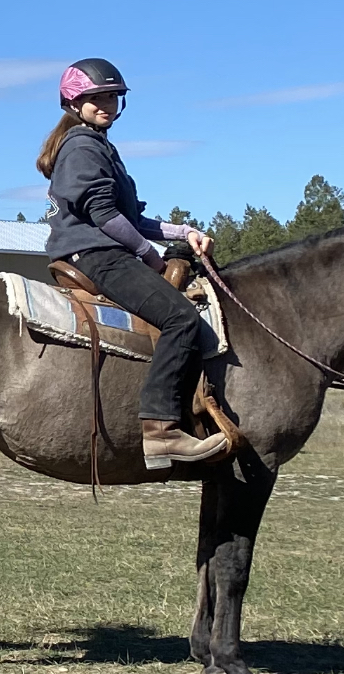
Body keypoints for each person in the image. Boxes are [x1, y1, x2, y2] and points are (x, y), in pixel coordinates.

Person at [37, 57, 228, 468]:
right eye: (95, 97)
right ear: (74, 101)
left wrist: (183, 233)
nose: (105, 104)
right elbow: (105, 216)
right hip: (97, 254)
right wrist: (150, 255)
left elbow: (132, 219)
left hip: (97, 249)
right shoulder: (83, 146)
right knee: (181, 319)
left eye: (112, 96)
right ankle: (161, 431)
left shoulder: (97, 144)